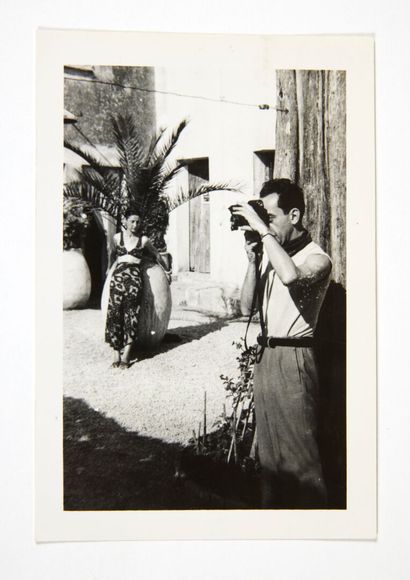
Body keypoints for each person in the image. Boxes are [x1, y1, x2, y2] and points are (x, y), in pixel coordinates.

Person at [232, 179, 332, 508]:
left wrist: (262, 230)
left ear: (294, 215)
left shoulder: (317, 258)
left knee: (301, 461)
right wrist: (252, 261)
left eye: (270, 216)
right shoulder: (274, 255)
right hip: (267, 357)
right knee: (270, 462)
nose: (267, 225)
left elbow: (291, 277)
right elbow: (245, 308)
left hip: (295, 359)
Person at [105, 209, 169, 369]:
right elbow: (111, 253)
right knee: (114, 314)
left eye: (138, 222)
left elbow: (157, 254)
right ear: (125, 221)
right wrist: (108, 269)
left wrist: (167, 270)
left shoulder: (144, 240)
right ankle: (115, 353)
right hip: (117, 279)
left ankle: (126, 355)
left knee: (131, 315)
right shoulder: (116, 237)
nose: (135, 225)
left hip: (135, 280)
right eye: (132, 221)